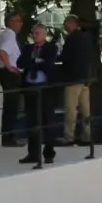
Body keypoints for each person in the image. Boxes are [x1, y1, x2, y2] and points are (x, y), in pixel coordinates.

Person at [22, 21, 62, 165]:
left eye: (37, 33)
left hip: (45, 89)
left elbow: (48, 64)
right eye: (33, 33)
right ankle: (33, 153)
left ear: (44, 35)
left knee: (47, 121)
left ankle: (49, 154)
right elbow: (21, 62)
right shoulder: (28, 48)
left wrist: (34, 62)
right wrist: (35, 61)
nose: (34, 35)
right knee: (32, 121)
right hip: (30, 88)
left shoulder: (51, 48)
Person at [59, 12, 101, 148]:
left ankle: (69, 137)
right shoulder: (87, 37)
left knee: (71, 109)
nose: (64, 25)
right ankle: (87, 136)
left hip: (73, 78)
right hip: (85, 78)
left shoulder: (71, 39)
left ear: (72, 24)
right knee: (85, 110)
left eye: (66, 23)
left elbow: (65, 57)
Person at [0, 10, 25, 147]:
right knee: (11, 106)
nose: (21, 24)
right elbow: (2, 51)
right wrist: (9, 67)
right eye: (18, 21)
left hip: (7, 73)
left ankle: (8, 136)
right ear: (10, 22)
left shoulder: (6, 35)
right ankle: (8, 137)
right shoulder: (9, 36)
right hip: (9, 74)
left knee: (11, 106)